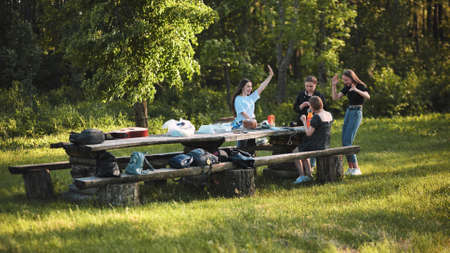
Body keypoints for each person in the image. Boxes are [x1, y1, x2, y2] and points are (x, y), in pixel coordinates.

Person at [331, 69, 370, 176]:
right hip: (348, 112)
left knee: (348, 141)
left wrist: (356, 90)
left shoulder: (361, 85)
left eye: (346, 80)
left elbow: (368, 96)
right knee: (344, 142)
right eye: (343, 80)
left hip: (356, 113)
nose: (345, 82)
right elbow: (335, 98)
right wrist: (333, 85)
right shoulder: (347, 87)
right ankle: (351, 168)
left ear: (352, 78)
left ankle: (357, 168)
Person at [231, 65, 274, 148]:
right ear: (242, 87)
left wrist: (270, 76)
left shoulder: (250, 98)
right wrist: (254, 122)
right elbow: (243, 113)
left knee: (251, 149)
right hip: (242, 128)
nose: (250, 88)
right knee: (242, 149)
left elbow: (262, 87)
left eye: (251, 86)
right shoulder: (238, 99)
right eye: (248, 86)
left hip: (251, 127)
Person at [293, 96, 333, 184]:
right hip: (325, 143)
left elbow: (308, 133)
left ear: (312, 106)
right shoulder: (329, 114)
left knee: (295, 152)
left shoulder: (317, 117)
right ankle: (309, 175)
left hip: (316, 144)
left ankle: (302, 176)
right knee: (303, 149)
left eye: (310, 106)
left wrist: (304, 121)